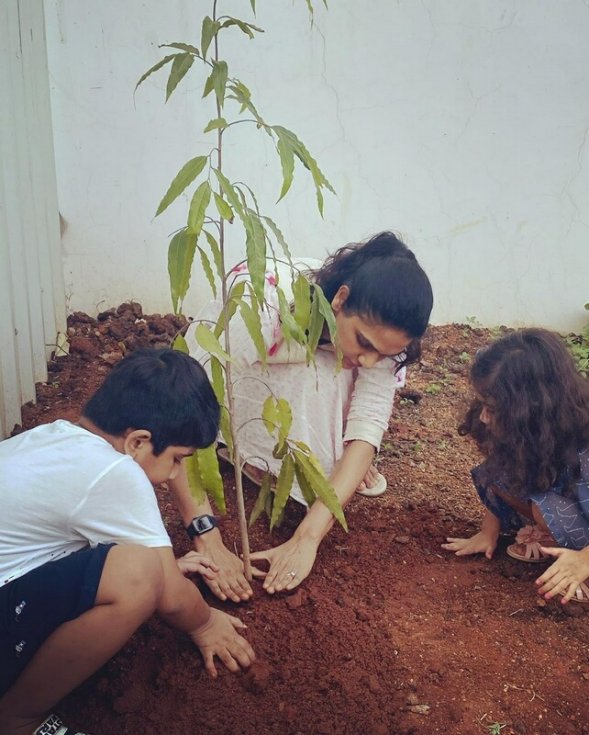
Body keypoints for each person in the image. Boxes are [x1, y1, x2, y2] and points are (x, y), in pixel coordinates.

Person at [0, 349, 255, 735]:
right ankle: (18, 718)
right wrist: (204, 623)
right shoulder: (117, 472)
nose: (175, 474)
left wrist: (165, 567)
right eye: (177, 458)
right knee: (138, 575)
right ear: (137, 441)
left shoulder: (53, 436)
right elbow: (167, 594)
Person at [170, 231, 433, 601]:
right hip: (243, 375)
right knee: (322, 376)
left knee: (339, 379)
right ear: (340, 299)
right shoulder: (259, 309)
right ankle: (237, 444)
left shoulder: (379, 339)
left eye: (386, 354)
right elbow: (178, 409)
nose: (372, 360)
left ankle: (304, 456)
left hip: (315, 358)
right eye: (366, 344)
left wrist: (307, 537)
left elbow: (368, 426)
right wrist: (206, 536)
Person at [442, 328, 589, 604]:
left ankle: (575, 563)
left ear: (530, 407)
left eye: (493, 408)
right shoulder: (534, 430)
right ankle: (556, 541)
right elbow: (502, 469)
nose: (484, 417)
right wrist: (488, 533)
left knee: (546, 509)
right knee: (498, 474)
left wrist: (584, 560)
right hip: (568, 501)